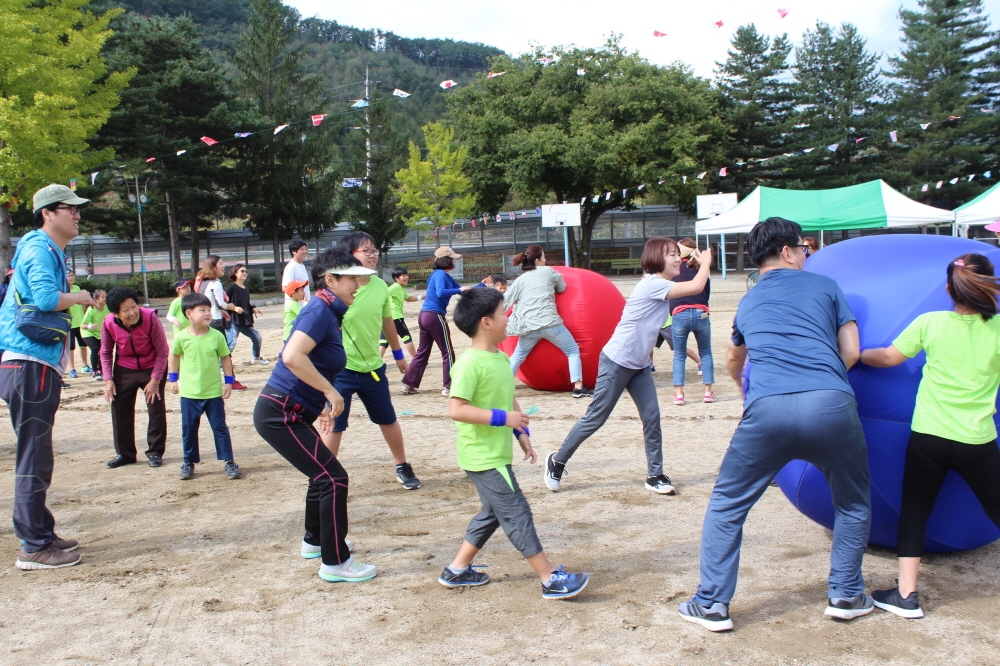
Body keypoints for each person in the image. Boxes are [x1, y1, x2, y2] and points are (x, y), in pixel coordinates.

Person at [677, 217, 871, 633]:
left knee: (728, 504)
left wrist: (750, 394)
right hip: (831, 405)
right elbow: (852, 351)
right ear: (787, 251)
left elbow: (733, 359)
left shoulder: (748, 301)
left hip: (768, 412)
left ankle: (711, 604)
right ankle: (846, 594)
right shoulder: (826, 286)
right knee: (852, 503)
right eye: (803, 247)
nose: (806, 253)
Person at [860, 253, 1000, 619]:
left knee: (914, 513)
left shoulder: (930, 322)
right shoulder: (998, 328)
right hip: (977, 441)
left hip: (930, 438)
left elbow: (888, 357)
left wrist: (857, 355)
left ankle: (906, 597)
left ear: (949, 287)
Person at [440, 286, 591, 599]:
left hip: (496, 453)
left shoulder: (498, 357)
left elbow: (508, 399)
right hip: (483, 457)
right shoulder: (470, 363)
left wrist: (522, 434)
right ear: (486, 322)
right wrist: (502, 419)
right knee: (516, 512)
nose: (508, 318)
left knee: (493, 513)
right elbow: (457, 409)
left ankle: (456, 570)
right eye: (502, 313)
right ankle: (550, 578)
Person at [544, 238, 711, 495]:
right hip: (617, 361)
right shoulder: (653, 284)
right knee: (596, 417)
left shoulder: (662, 285)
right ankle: (557, 460)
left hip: (640, 364)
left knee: (652, 417)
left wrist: (698, 266)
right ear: (656, 258)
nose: (677, 259)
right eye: (671, 255)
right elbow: (697, 285)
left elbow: (694, 289)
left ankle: (655, 475)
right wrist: (706, 263)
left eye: (679, 254)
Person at [252, 247, 379, 583]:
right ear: (331, 279)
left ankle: (315, 541)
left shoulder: (328, 310)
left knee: (321, 475)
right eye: (353, 278)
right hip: (280, 413)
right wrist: (329, 391)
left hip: (290, 409)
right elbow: (292, 356)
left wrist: (317, 400)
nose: (358, 285)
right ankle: (335, 562)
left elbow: (306, 362)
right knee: (334, 478)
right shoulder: (319, 310)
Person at [0, 183, 97, 570]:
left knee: (37, 453)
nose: (77, 214)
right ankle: (33, 546)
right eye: (68, 208)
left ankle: (41, 531)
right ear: (47, 214)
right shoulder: (40, 248)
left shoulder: (45, 248)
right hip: (30, 364)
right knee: (34, 457)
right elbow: (43, 300)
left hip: (27, 364)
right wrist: (80, 296)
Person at [321, 232, 420, 490]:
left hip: (373, 369)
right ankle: (324, 476)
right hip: (341, 371)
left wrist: (398, 355)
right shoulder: (335, 289)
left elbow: (388, 322)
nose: (373, 254)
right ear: (350, 255)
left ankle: (402, 465)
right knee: (335, 423)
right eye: (366, 250)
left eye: (375, 249)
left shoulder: (379, 286)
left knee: (387, 418)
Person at [167, 292, 241, 481]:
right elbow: (174, 356)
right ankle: (188, 462)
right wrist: (173, 379)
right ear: (188, 313)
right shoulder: (181, 338)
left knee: (220, 427)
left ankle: (229, 462)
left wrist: (229, 382)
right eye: (202, 310)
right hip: (190, 394)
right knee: (189, 428)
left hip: (213, 393)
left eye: (209, 309)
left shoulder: (216, 336)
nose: (208, 313)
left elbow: (225, 358)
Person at [503, 245, 592, 398]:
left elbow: (505, 301)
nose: (546, 260)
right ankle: (578, 387)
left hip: (528, 326)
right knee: (572, 351)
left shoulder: (520, 280)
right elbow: (562, 287)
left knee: (518, 356)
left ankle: (503, 388)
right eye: (544, 257)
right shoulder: (549, 271)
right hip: (550, 324)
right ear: (537, 260)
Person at [401, 246, 492, 396]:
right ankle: (449, 386)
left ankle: (408, 384)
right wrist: (459, 290)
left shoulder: (443, 276)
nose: (455, 261)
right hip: (434, 316)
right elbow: (441, 292)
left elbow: (464, 291)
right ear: (444, 260)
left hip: (425, 316)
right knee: (447, 352)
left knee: (422, 352)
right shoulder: (440, 274)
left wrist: (481, 285)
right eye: (452, 259)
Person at [101, 286, 170, 469]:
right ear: (116, 314)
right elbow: (106, 352)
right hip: (125, 368)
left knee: (155, 410)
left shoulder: (150, 317)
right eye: (126, 310)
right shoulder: (108, 322)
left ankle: (155, 452)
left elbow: (163, 351)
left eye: (133, 306)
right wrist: (109, 379)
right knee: (119, 409)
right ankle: (125, 453)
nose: (132, 312)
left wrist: (155, 380)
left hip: (152, 367)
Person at [671, 238, 715, 405]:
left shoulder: (673, 270)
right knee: (706, 353)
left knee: (679, 355)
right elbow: (707, 293)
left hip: (679, 314)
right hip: (701, 312)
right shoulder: (700, 269)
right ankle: (708, 393)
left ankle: (679, 394)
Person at [197, 255, 247, 391]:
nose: (223, 266)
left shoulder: (203, 282)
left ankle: (204, 381)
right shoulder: (216, 283)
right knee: (225, 354)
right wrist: (231, 306)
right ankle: (231, 381)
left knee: (208, 354)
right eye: (221, 263)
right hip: (215, 322)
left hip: (205, 321)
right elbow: (221, 303)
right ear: (213, 267)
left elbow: (210, 303)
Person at [225, 263, 268, 365]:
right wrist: (234, 308)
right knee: (231, 343)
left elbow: (246, 304)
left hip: (245, 320)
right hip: (233, 320)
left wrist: (253, 309)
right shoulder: (231, 287)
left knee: (257, 337)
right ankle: (222, 364)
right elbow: (224, 302)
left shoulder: (246, 288)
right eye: (242, 271)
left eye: (246, 271)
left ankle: (256, 358)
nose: (245, 273)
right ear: (235, 273)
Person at [379, 266, 421, 359]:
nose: (406, 277)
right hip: (396, 317)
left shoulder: (401, 288)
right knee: (406, 337)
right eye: (403, 276)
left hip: (386, 318)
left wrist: (422, 297)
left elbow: (408, 298)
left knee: (384, 341)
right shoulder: (395, 287)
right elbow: (386, 292)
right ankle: (416, 360)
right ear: (396, 278)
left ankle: (377, 361)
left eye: (406, 275)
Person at [79, 289, 109, 381]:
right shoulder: (91, 310)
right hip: (88, 332)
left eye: (106, 297)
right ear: (96, 299)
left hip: (100, 333)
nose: (105, 299)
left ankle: (101, 370)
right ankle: (95, 371)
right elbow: (83, 325)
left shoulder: (108, 308)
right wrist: (90, 326)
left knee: (103, 350)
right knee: (95, 348)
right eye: (102, 297)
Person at [65, 271, 89, 378]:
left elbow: (82, 304)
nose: (71, 277)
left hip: (80, 322)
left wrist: (84, 317)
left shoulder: (77, 288)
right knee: (70, 347)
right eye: (69, 275)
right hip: (70, 323)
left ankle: (85, 365)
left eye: (72, 275)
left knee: (83, 345)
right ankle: (72, 369)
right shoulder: (63, 290)